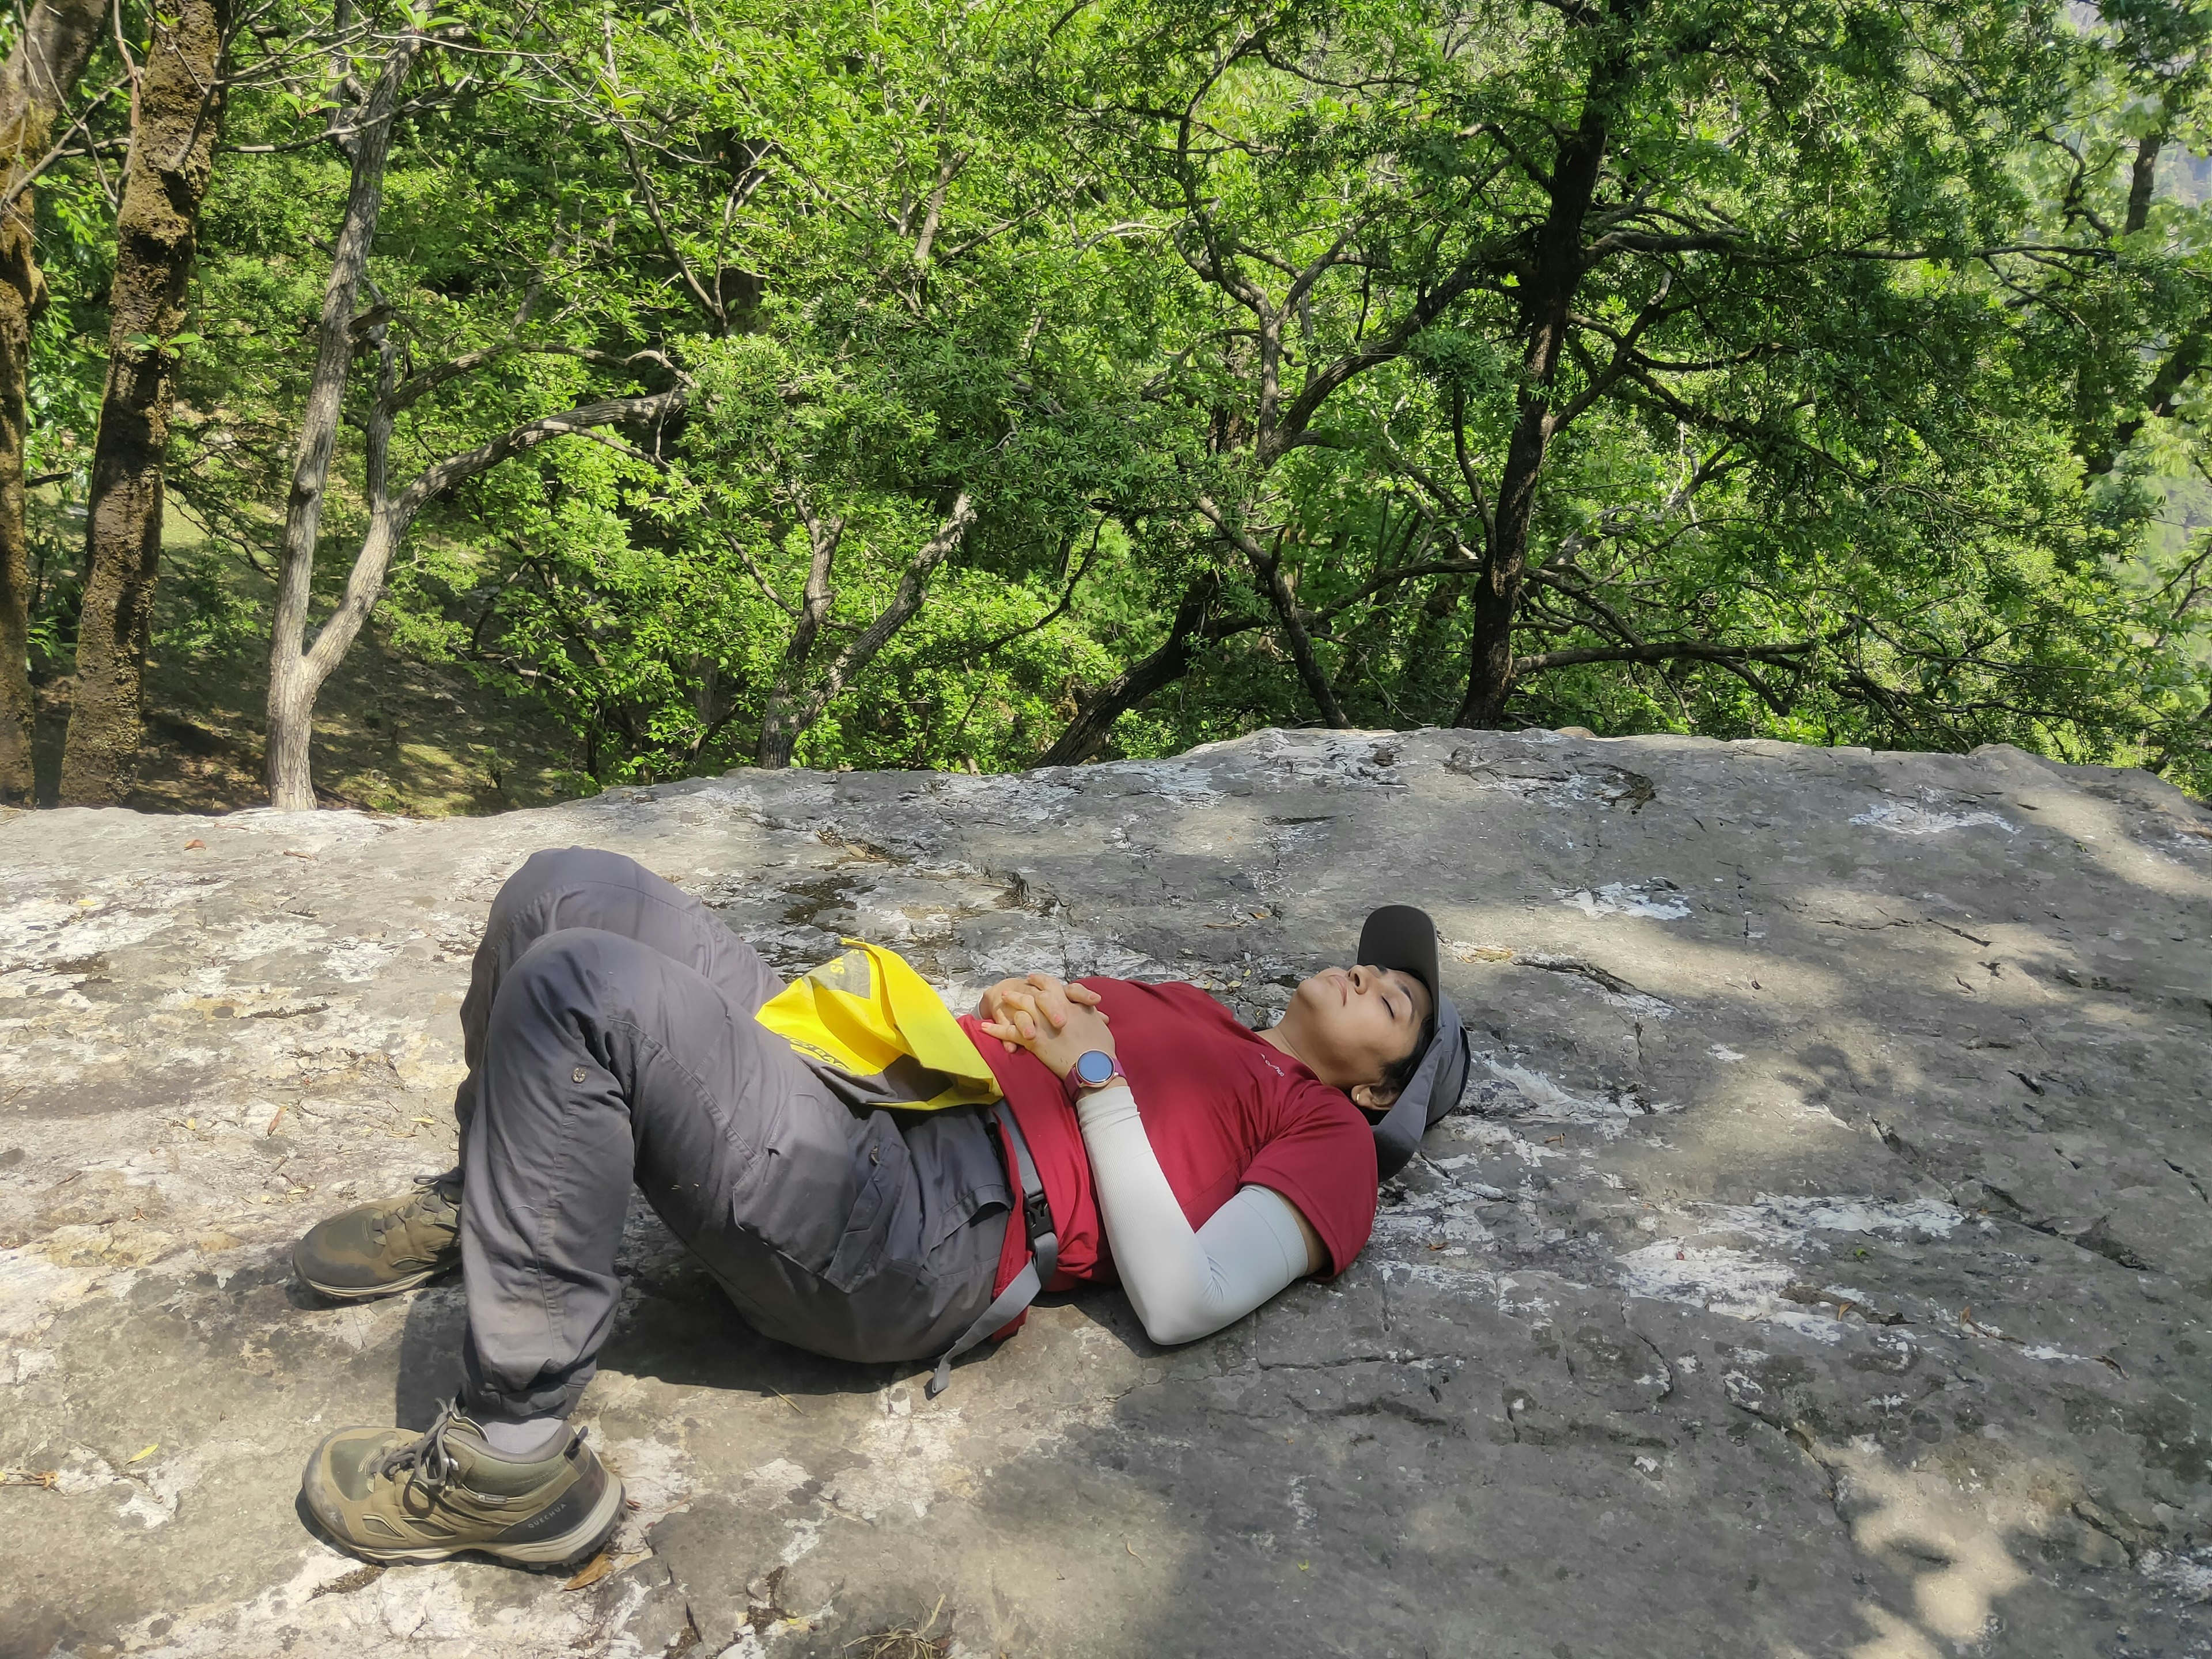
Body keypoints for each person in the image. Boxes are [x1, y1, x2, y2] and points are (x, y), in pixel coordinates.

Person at [290, 847, 1468, 1566]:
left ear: (1376, 1087)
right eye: (1377, 963)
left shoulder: (1331, 1141)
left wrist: (1097, 1078)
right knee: (570, 891)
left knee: (581, 991)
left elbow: (1183, 1298)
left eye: (1397, 1004)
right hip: (876, 1088)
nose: (1369, 974)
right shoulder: (1194, 1008)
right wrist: (1002, 1016)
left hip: (919, 1225)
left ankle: (512, 1467)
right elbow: (1022, 1050)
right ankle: (511, 1181)